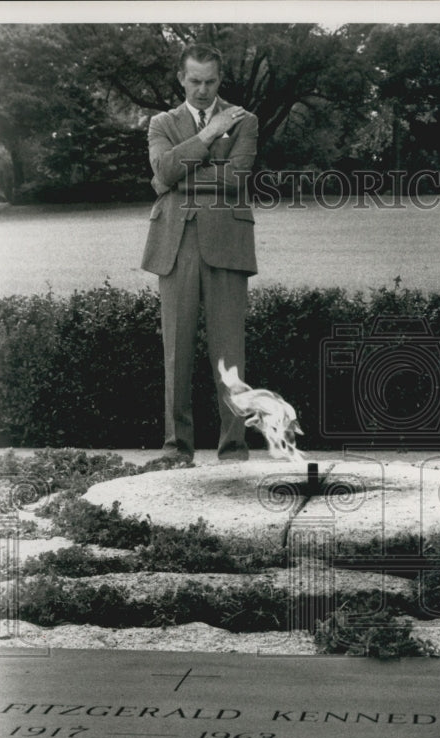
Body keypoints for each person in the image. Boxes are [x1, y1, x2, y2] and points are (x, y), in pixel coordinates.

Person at [141, 43, 258, 464]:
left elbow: (237, 178)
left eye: (210, 82)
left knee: (231, 353)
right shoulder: (161, 122)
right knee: (176, 351)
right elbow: (162, 171)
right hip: (173, 243)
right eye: (195, 81)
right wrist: (209, 135)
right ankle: (177, 449)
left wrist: (177, 174)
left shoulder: (245, 121)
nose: (203, 90)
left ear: (219, 80)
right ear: (181, 78)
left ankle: (233, 450)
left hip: (228, 242)